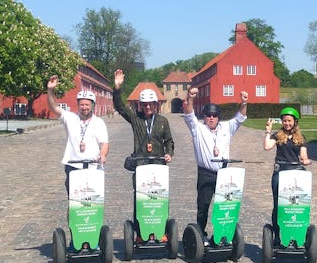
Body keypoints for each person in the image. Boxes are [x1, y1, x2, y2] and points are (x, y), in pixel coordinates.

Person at [112, 69, 175, 242]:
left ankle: (161, 231)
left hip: (159, 166)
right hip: (141, 166)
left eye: (151, 104)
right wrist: (117, 88)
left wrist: (169, 153)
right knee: (140, 199)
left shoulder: (163, 121)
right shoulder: (135, 118)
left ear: (156, 104)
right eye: (145, 104)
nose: (148, 107)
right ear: (140, 105)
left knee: (160, 198)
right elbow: (120, 107)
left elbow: (169, 141)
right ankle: (140, 233)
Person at [183, 87, 248, 243]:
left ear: (218, 117)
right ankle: (201, 234)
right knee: (203, 206)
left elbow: (240, 117)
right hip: (206, 173)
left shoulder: (226, 127)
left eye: (214, 116)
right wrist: (190, 98)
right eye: (208, 116)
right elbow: (189, 114)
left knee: (224, 206)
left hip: (224, 174)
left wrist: (244, 102)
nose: (211, 118)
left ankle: (223, 234)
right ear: (204, 117)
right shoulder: (197, 128)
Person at [46, 75, 110, 194]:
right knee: (74, 202)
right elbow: (53, 107)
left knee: (92, 201)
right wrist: (50, 90)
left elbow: (104, 143)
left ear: (92, 105)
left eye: (87, 105)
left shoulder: (99, 122)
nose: (84, 107)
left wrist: (102, 155)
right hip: (73, 166)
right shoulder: (70, 118)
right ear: (78, 105)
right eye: (81, 104)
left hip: (93, 166)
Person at [263, 107, 311, 241]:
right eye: (284, 121)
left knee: (296, 204)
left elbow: (303, 154)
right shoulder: (277, 135)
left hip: (296, 172)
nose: (287, 123)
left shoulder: (301, 138)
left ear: (295, 122)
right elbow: (267, 147)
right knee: (279, 204)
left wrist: (305, 160)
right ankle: (278, 233)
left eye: (289, 121)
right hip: (280, 171)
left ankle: (296, 230)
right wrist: (268, 131)